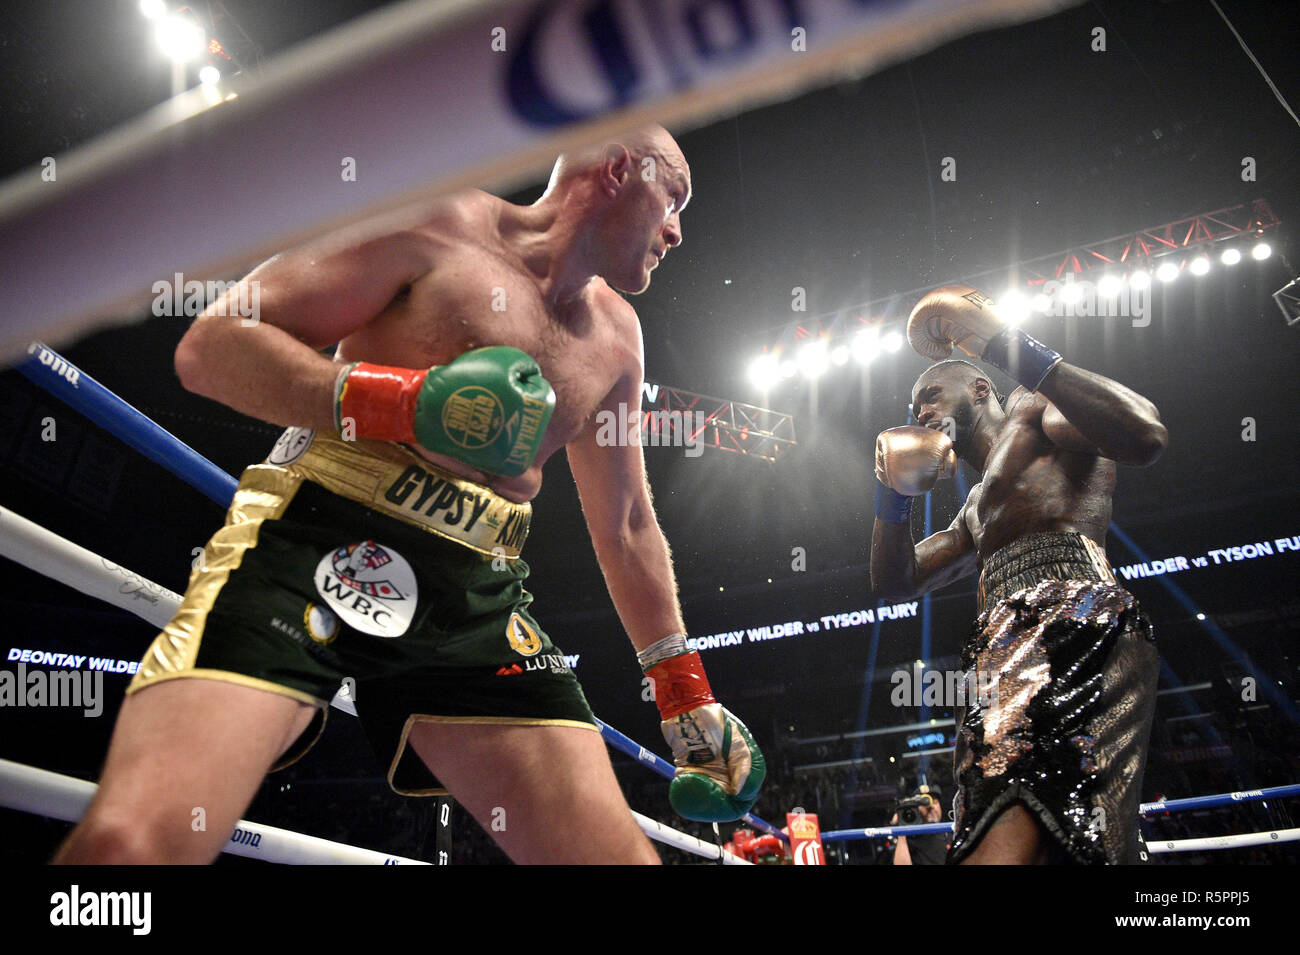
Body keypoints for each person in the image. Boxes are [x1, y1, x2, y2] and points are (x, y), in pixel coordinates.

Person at [54, 125, 762, 865]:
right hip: (310, 536)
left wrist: (684, 694)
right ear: (619, 167)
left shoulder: (619, 340)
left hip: (476, 595)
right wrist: (408, 403)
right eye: (673, 196)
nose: (677, 230)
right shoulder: (436, 221)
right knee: (133, 844)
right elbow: (213, 345)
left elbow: (628, 525)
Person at [871, 285, 1167, 864]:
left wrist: (1013, 348)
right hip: (999, 648)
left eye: (931, 394)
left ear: (981, 386)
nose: (922, 413)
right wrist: (890, 497)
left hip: (1073, 622)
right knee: (1053, 835)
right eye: (915, 409)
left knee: (1016, 826)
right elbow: (897, 582)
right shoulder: (975, 507)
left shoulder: (1036, 412)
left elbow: (1145, 432)